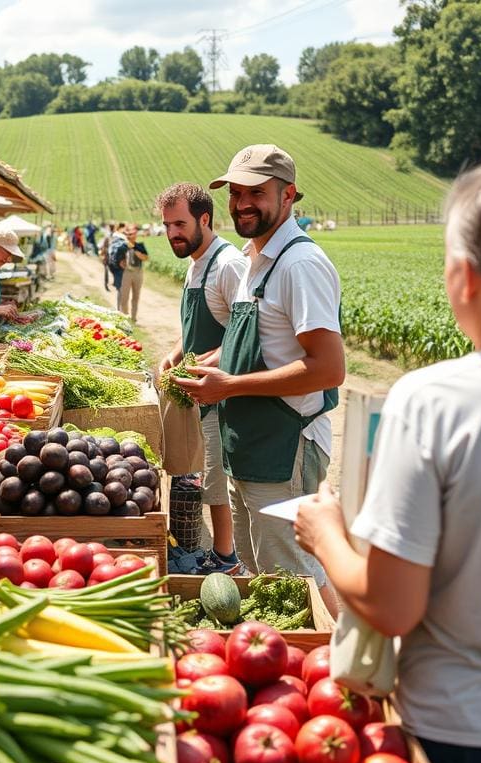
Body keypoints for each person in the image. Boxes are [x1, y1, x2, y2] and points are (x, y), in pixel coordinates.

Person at [295, 154, 481, 763]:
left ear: (464, 278)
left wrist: (326, 536)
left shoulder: (435, 401)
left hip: (461, 730)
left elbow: (391, 605)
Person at [176, 144, 345, 616]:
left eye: (256, 192)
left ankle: (332, 663)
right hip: (248, 444)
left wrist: (227, 386)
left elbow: (329, 368)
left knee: (294, 579)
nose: (242, 202)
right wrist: (215, 364)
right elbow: (259, 345)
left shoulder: (299, 264)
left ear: (288, 195)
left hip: (285, 445)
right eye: (235, 192)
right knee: (261, 571)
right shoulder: (255, 259)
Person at [156, 182, 248, 574]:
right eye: (166, 225)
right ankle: (223, 553)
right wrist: (172, 355)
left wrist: (204, 365)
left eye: (179, 223)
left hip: (222, 393)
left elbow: (246, 334)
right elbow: (193, 327)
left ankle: (226, 558)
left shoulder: (228, 264)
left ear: (204, 219)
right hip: (198, 388)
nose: (172, 233)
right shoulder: (196, 262)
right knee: (206, 473)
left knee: (218, 478)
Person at [117, 223, 149, 323]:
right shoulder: (122, 246)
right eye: (127, 234)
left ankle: (133, 318)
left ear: (135, 235)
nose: (129, 236)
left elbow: (146, 258)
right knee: (124, 296)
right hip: (126, 272)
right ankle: (125, 317)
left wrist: (135, 250)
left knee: (136, 296)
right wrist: (120, 263)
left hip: (138, 272)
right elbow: (117, 258)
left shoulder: (140, 246)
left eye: (131, 234)